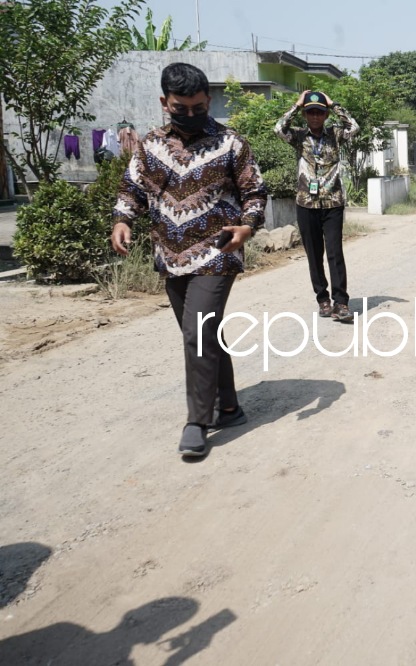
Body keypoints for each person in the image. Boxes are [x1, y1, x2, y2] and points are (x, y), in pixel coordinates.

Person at [110, 63, 266, 458]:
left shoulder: (232, 143)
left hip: (218, 253)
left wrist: (246, 227)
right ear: (165, 103)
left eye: (199, 107)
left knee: (197, 332)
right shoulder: (150, 145)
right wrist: (122, 219)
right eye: (182, 107)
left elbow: (255, 193)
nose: (191, 114)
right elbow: (133, 188)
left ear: (208, 101)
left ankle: (198, 421)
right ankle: (229, 407)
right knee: (203, 333)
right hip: (169, 255)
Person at [275, 89, 360, 322]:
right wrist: (297, 104)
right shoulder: (299, 137)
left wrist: (333, 104)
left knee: (335, 253)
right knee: (314, 255)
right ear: (305, 115)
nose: (315, 117)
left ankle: (341, 303)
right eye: (311, 112)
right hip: (306, 203)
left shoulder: (335, 134)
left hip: (332, 203)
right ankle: (323, 300)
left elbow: (354, 127)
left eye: (319, 113)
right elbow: (278, 128)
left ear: (325, 115)